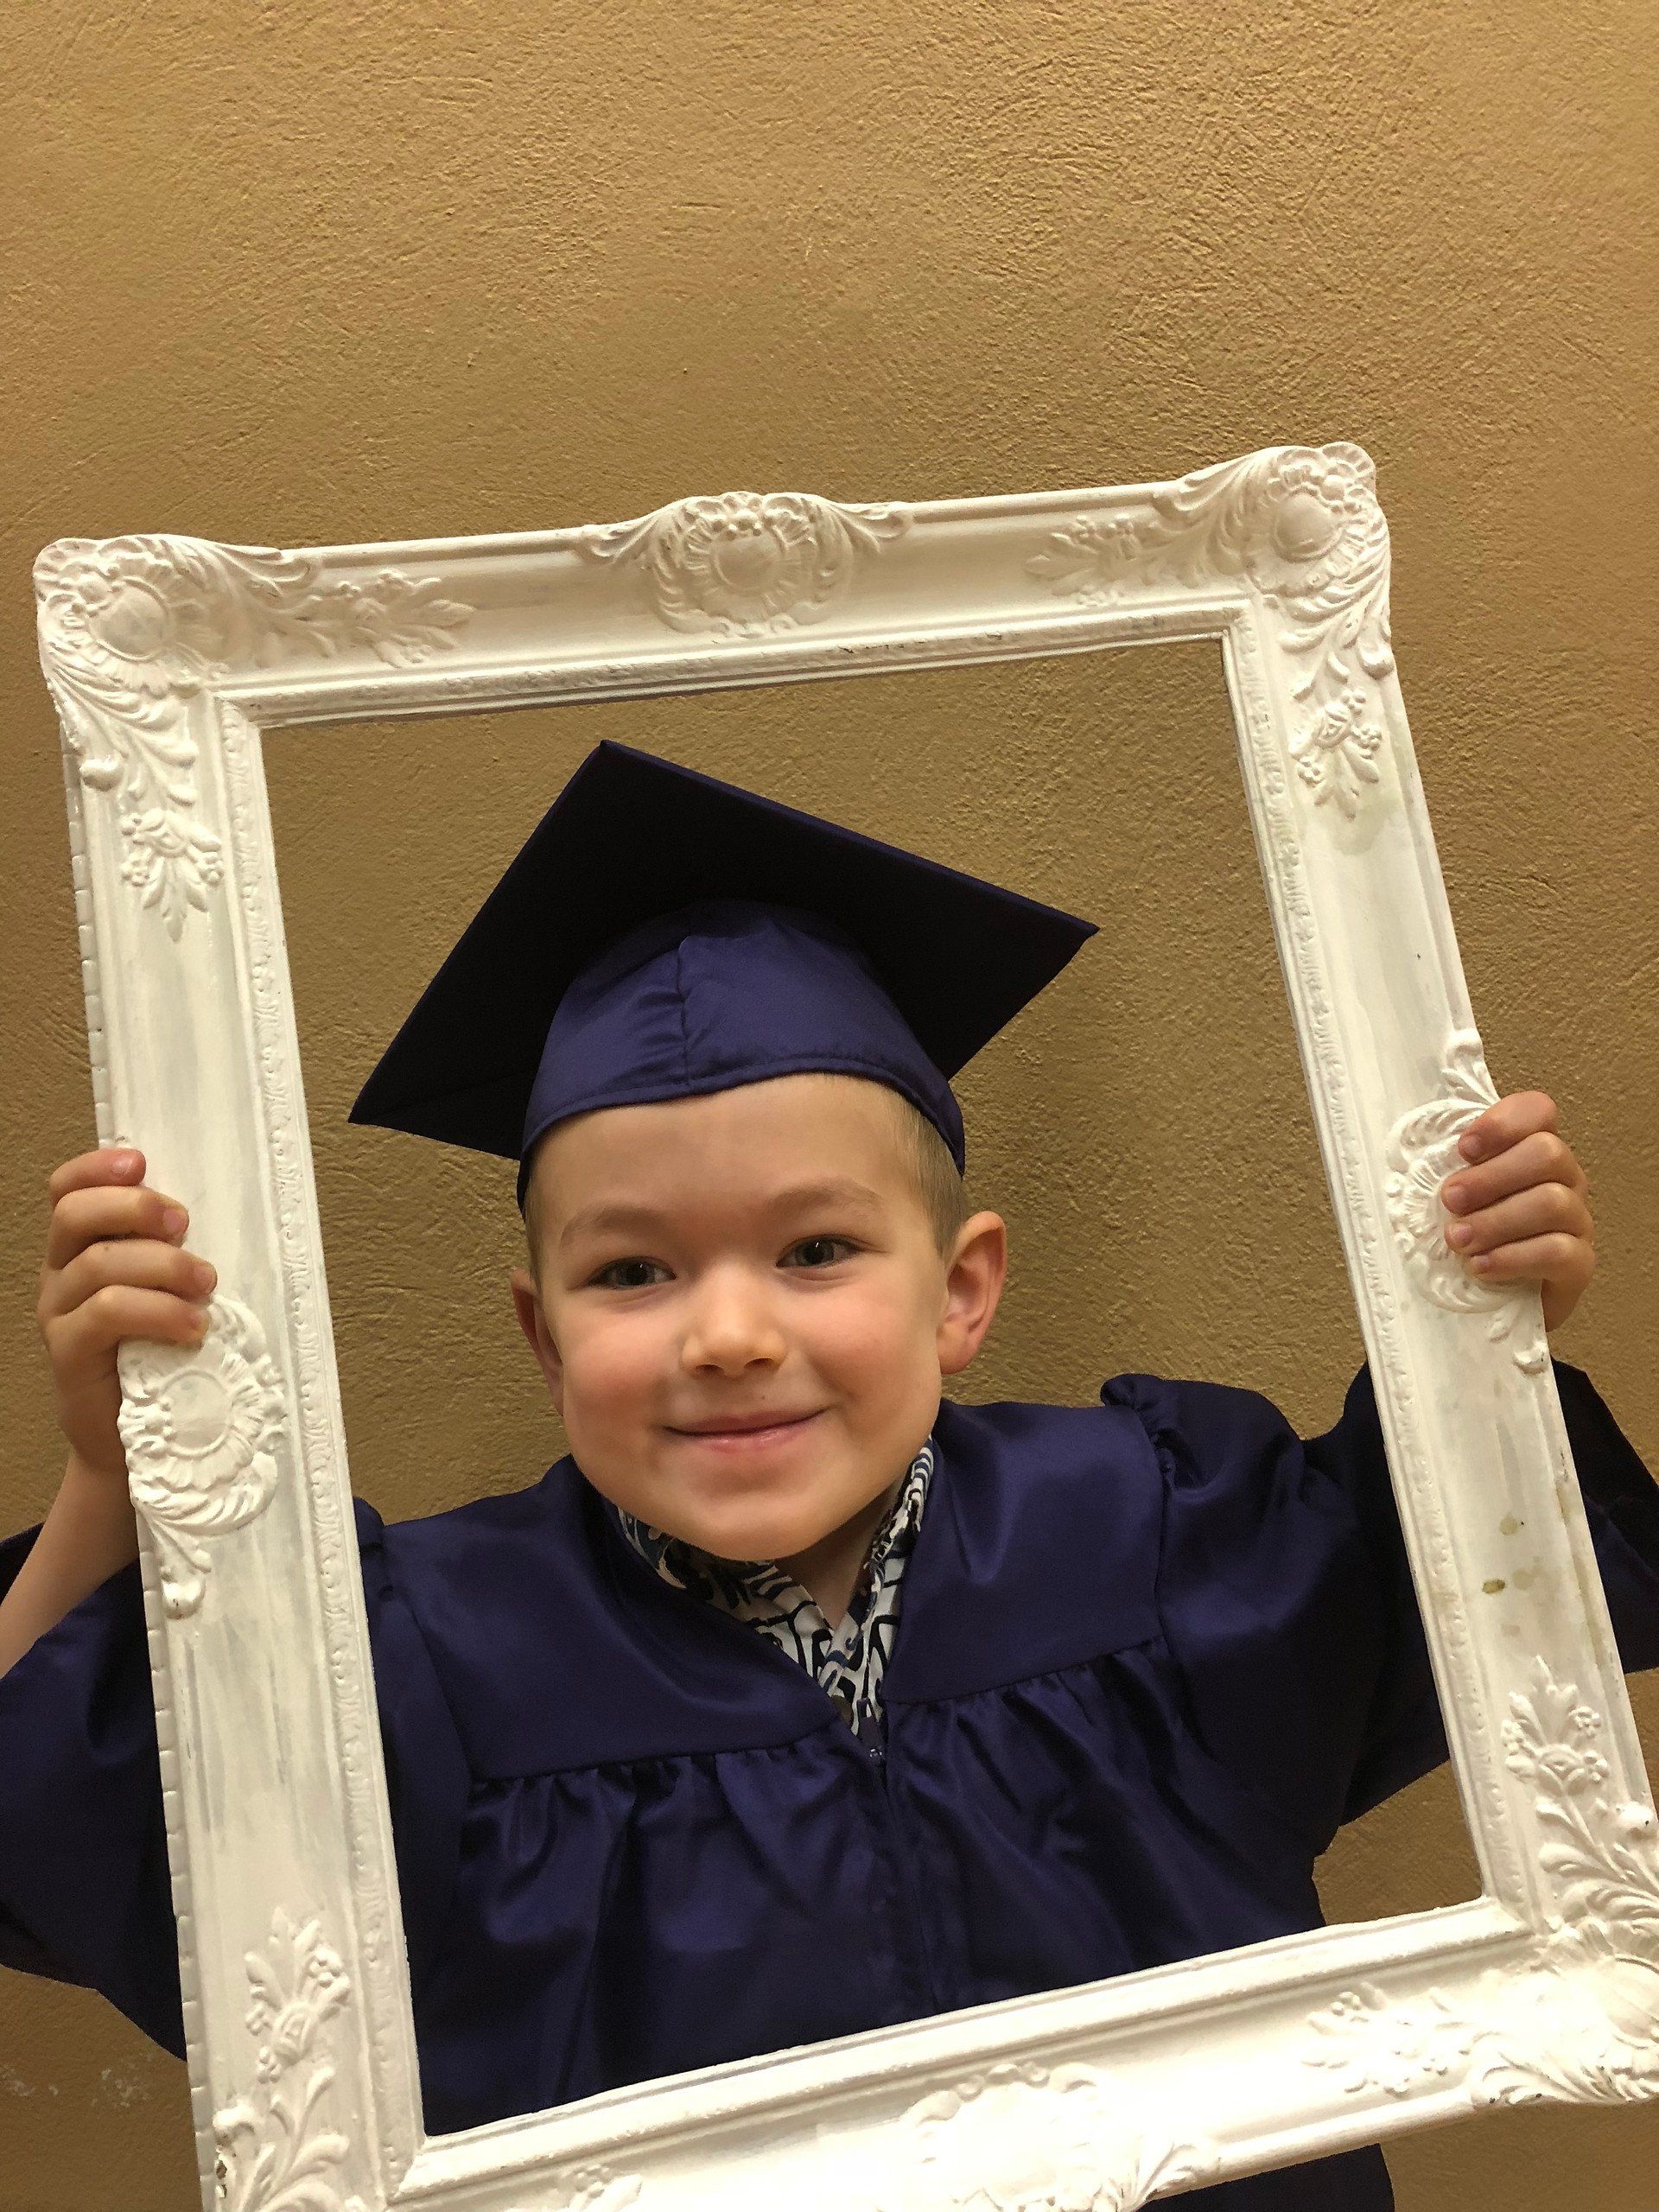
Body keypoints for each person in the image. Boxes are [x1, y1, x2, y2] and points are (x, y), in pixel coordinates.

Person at [3, 741, 1656, 2211]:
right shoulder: (425, 1659)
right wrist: (118, 1478)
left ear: (962, 1290)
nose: (726, 1333)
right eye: (632, 1275)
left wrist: (1481, 1334)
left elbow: (1491, 1597)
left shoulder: (1150, 1526)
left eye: (813, 1249)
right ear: (538, 1328)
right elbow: (67, 1822)